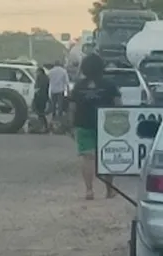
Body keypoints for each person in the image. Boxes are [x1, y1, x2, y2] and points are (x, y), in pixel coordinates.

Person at [70, 53, 120, 200]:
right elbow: (118, 105)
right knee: (107, 156)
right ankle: (109, 190)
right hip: (106, 126)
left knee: (87, 158)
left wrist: (71, 124)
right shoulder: (110, 85)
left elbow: (72, 107)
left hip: (83, 124)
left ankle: (89, 190)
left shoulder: (79, 86)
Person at [48, 60, 70, 125]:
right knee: (60, 104)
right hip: (60, 90)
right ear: (60, 64)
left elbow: (48, 80)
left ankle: (53, 116)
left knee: (53, 104)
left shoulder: (50, 71)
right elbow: (67, 82)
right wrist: (68, 90)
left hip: (53, 90)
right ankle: (59, 117)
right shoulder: (63, 71)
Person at [33, 66, 50, 132]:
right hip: (45, 96)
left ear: (40, 72)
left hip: (39, 96)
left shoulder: (39, 77)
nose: (36, 73)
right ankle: (45, 126)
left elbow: (37, 87)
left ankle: (43, 126)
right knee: (42, 111)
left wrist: (35, 94)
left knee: (39, 112)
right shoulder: (47, 78)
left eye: (37, 72)